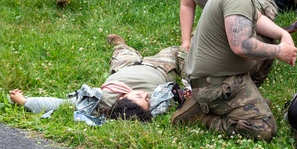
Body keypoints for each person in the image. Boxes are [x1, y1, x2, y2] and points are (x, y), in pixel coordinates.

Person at [171, 0, 297, 141]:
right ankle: (200, 116)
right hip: (215, 85)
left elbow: (257, 18)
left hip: (218, 76)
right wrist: (280, 51)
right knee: (264, 128)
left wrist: (283, 35)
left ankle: (241, 98)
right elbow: (241, 46)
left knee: (268, 38)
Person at [10, 34, 184, 122]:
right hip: (159, 67)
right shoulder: (157, 105)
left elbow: (57, 103)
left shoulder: (100, 102)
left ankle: (120, 44)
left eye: (139, 97)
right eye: (146, 99)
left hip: (123, 67)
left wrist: (24, 101)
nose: (146, 96)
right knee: (176, 51)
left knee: (122, 53)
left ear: (123, 98)